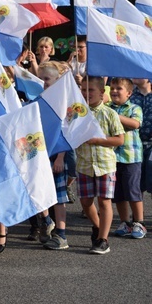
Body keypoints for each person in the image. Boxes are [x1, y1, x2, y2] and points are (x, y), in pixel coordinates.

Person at [77, 76, 125, 254]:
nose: (86, 93)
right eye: (83, 90)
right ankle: (98, 228)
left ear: (101, 93)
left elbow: (119, 139)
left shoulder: (109, 113)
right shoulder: (77, 113)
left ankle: (103, 240)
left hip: (105, 164)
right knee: (85, 202)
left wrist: (98, 140)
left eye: (90, 90)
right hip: (84, 164)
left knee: (104, 202)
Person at [37, 62, 72, 250]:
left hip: (56, 155)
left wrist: (60, 158)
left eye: (47, 79)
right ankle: (46, 220)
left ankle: (61, 233)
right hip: (40, 154)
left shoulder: (61, 102)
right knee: (39, 191)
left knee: (59, 196)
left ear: (57, 80)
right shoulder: (39, 99)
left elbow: (65, 132)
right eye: (41, 79)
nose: (44, 82)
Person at [108, 77, 146, 239]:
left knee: (132, 191)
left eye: (119, 89)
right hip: (111, 157)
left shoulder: (134, 108)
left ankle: (139, 222)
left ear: (129, 93)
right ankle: (125, 222)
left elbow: (135, 124)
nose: (114, 91)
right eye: (112, 88)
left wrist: (113, 115)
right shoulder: (107, 108)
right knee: (118, 194)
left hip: (131, 157)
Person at [130, 77, 152, 194]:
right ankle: (138, 211)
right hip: (134, 144)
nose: (135, 75)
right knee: (137, 182)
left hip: (151, 144)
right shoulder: (130, 96)